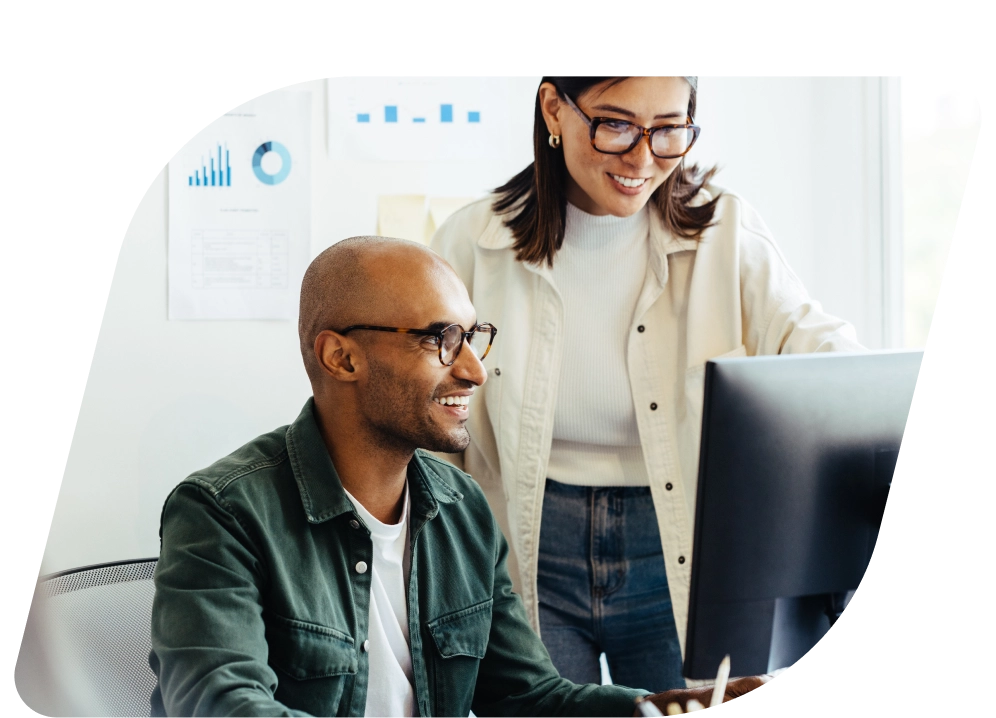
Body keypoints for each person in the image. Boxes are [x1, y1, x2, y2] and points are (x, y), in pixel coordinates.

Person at [148, 236, 763, 718]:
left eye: (472, 337)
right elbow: (222, 705)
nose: (474, 371)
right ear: (341, 356)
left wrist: (672, 709)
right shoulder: (222, 512)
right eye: (441, 339)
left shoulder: (461, 508)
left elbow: (528, 700)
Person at [430, 73, 863, 691]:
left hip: (677, 541)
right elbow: (422, 399)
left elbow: (826, 355)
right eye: (616, 125)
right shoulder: (474, 242)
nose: (642, 157)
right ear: (554, 108)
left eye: (668, 131)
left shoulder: (726, 232)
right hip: (527, 543)